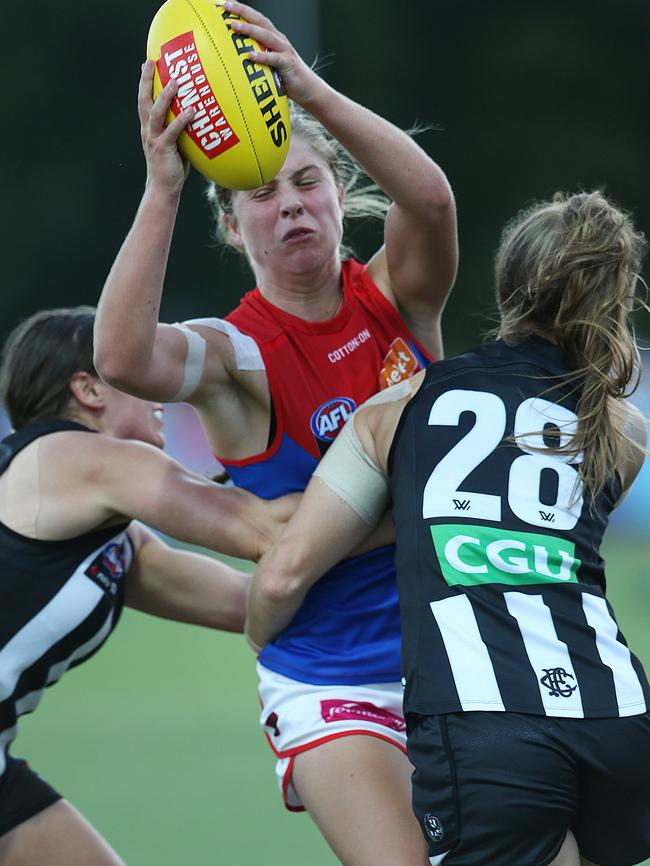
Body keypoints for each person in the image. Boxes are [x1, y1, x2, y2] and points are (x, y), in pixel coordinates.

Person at [93, 1, 457, 862]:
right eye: (262, 194)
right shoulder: (236, 356)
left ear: (339, 195)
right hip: (336, 679)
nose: (290, 206)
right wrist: (162, 187)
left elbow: (433, 202)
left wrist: (310, 93)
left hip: (460, 656)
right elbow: (120, 355)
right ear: (232, 226)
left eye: (307, 183)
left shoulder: (397, 296)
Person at [247, 190, 650, 866]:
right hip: (618, 716)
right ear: (615, 296)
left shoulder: (400, 405)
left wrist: (259, 630)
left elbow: (286, 571)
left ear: (507, 282)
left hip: (486, 734)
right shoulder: (623, 430)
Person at [0, 305, 296, 866]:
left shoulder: (118, 539)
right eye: (135, 368)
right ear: (87, 389)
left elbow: (255, 602)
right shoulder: (76, 456)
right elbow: (268, 530)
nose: (158, 388)